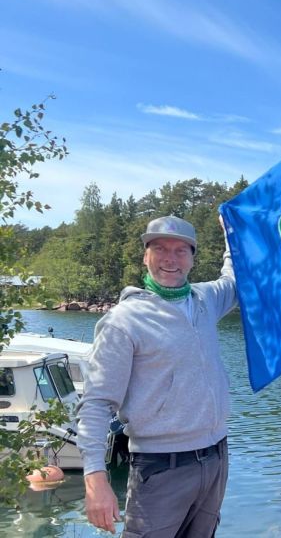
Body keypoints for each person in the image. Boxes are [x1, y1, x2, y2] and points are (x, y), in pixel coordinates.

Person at [76, 215, 237, 537]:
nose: (170, 259)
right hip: (160, 466)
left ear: (192, 258)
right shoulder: (123, 321)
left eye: (181, 250)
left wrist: (233, 231)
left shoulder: (204, 300)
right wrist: (95, 479)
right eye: (160, 248)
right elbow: (96, 403)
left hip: (216, 456)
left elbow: (235, 278)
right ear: (145, 255)